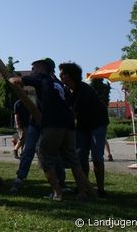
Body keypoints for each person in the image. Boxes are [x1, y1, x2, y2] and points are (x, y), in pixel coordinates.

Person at [10, 59, 94, 201]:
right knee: (73, 160)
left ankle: (57, 193)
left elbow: (16, 81)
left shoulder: (41, 77)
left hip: (53, 124)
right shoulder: (58, 83)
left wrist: (11, 78)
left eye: (33, 68)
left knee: (45, 158)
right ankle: (82, 193)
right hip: (68, 124)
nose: (32, 71)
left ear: (42, 69)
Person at [59, 62, 109, 198]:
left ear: (70, 76)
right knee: (81, 157)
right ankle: (83, 186)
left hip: (97, 123)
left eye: (63, 73)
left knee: (97, 157)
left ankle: (100, 189)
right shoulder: (67, 90)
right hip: (83, 125)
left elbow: (72, 114)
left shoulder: (83, 90)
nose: (60, 76)